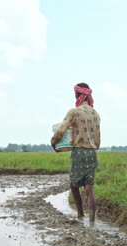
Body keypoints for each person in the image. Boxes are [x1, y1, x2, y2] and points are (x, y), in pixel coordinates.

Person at [51, 83, 101, 222]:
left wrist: (53, 142)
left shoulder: (74, 112)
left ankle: (80, 216)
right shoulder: (95, 114)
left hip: (79, 151)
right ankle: (92, 220)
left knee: (74, 185)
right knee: (89, 189)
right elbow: (98, 142)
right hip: (92, 153)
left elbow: (61, 130)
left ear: (78, 95)